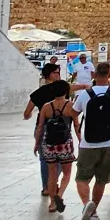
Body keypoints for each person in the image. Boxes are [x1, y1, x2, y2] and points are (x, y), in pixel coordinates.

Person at [72, 61, 110, 220]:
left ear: (94, 75)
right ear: (109, 75)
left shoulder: (85, 94)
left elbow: (73, 113)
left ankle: (86, 204)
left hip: (88, 143)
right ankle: (94, 210)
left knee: (82, 178)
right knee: (101, 179)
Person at [24, 63, 72, 200]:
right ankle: (52, 184)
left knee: (45, 159)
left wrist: (29, 116)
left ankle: (47, 186)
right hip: (62, 128)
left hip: (44, 126)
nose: (58, 74)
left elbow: (27, 113)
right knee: (62, 158)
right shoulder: (63, 89)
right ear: (50, 74)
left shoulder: (38, 93)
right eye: (56, 72)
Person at [35, 83, 77, 213]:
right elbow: (76, 125)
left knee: (52, 174)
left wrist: (37, 143)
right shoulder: (70, 106)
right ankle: (60, 194)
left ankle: (52, 204)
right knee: (67, 173)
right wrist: (81, 140)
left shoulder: (46, 107)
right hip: (65, 144)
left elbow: (40, 126)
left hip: (49, 144)